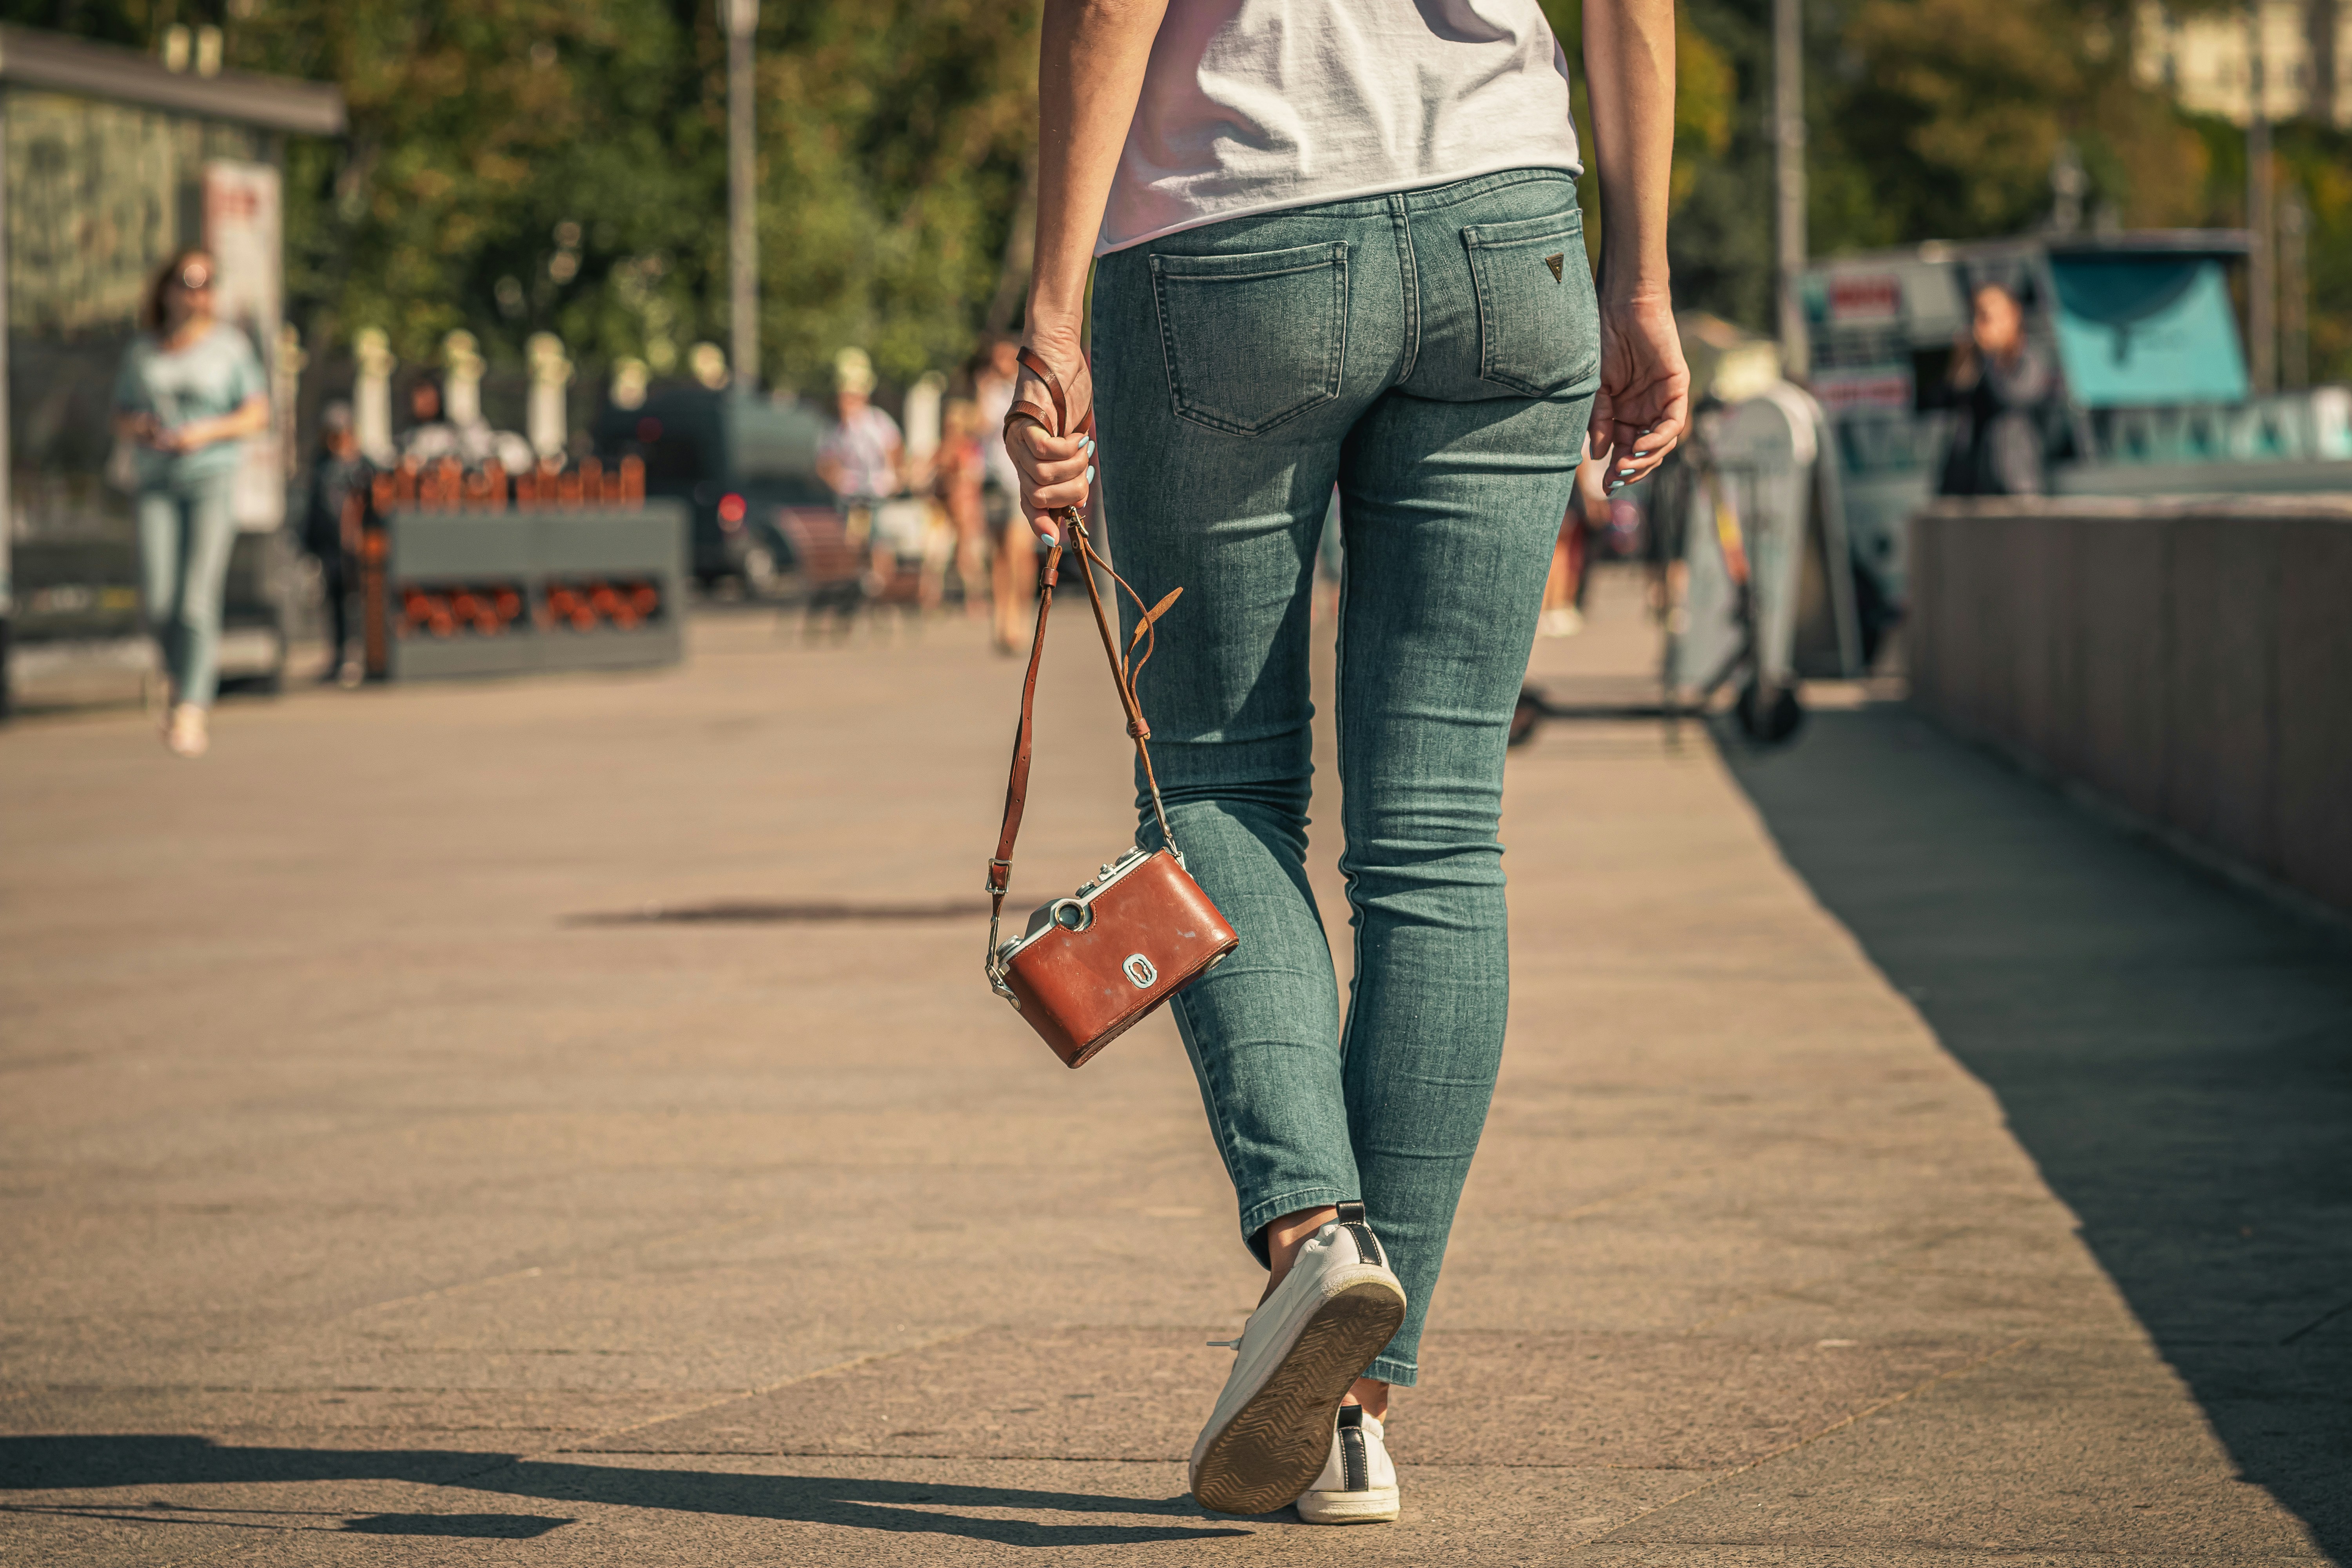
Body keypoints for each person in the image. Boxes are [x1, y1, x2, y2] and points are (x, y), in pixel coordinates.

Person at [1002, 0, 1688, 1526]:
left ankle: (1316, 1238)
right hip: (1514, 229)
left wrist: (1049, 312)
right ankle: (1360, 1414)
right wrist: (1642, 279)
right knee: (1439, 840)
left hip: (1231, 220)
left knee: (1217, 782)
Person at [113, 249, 271, 758]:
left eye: (206, 284)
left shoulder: (229, 348)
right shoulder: (143, 352)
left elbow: (255, 415)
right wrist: (142, 429)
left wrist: (205, 433)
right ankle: (177, 677)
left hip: (210, 481)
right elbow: (120, 413)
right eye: (187, 282)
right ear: (166, 289)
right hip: (156, 481)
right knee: (160, 601)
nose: (196, 293)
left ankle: (192, 707)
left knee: (196, 599)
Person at [1936, 281, 2055, 497]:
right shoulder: (1979, 359)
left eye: (1989, 315)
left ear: (2014, 313)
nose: (1982, 325)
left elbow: (2015, 397)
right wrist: (1963, 362)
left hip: (2018, 482)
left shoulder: (2033, 357)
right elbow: (1951, 402)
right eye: (1979, 315)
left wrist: (1995, 357)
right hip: (1970, 484)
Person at [816, 348, 905, 587]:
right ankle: (853, 583)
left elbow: (894, 450)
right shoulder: (836, 430)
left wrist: (891, 478)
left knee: (879, 537)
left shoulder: (876, 422)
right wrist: (839, 481)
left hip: (874, 493)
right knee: (851, 540)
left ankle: (879, 584)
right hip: (851, 496)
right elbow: (825, 463)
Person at [972, 337, 1034, 652]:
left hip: (1016, 480)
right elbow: (981, 427)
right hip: (993, 479)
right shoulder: (991, 392)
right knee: (997, 553)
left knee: (1018, 553)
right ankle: (1002, 619)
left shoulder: (1025, 392)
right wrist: (982, 392)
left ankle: (1020, 617)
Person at [301, 402, 369, 686]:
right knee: (334, 604)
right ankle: (338, 656)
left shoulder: (363, 465)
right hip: (329, 547)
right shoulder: (322, 465)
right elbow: (315, 508)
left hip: (357, 547)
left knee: (361, 602)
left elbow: (368, 504)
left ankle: (361, 656)